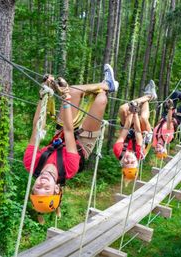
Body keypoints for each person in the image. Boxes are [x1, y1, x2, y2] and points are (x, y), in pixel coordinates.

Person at [23, 64, 118, 221]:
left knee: (74, 90)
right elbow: (69, 131)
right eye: (46, 188)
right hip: (83, 142)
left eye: (38, 187)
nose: (42, 183)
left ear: (33, 186)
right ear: (56, 188)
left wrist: (43, 96)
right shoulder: (70, 169)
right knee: (101, 100)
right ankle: (106, 87)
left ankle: (107, 84)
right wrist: (65, 99)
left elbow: (38, 126)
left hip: (61, 136)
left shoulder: (31, 163)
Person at [113, 80, 157, 181]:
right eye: (131, 162)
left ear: (122, 163)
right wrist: (135, 113)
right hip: (144, 136)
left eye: (126, 162)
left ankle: (148, 96)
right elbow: (138, 132)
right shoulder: (139, 153)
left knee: (122, 109)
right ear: (136, 163)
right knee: (143, 119)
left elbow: (124, 130)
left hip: (128, 133)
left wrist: (132, 111)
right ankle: (149, 96)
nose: (128, 160)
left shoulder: (118, 151)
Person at [153, 90, 181, 158]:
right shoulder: (167, 138)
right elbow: (169, 122)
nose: (158, 148)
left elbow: (157, 127)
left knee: (176, 94)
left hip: (165, 116)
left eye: (156, 151)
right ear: (164, 148)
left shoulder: (155, 141)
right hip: (176, 117)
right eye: (160, 150)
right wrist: (170, 108)